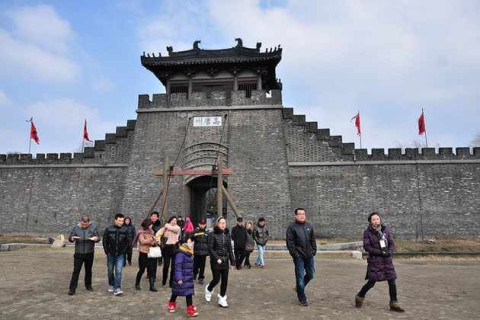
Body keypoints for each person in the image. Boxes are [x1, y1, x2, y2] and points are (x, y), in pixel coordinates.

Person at [355, 212, 405, 312]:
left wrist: (389, 252)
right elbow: (367, 246)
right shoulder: (367, 232)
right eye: (373, 219)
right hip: (375, 261)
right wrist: (380, 252)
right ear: (370, 221)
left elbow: (391, 243)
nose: (376, 221)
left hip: (387, 260)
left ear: (380, 220)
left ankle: (394, 304)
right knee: (371, 282)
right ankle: (359, 296)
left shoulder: (385, 230)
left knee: (392, 281)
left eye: (377, 219)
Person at [286, 208, 316, 306]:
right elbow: (290, 243)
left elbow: (313, 240)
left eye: (303, 214)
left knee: (311, 274)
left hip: (309, 255)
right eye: (299, 214)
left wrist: (314, 251)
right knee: (299, 279)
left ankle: (299, 287)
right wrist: (295, 254)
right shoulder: (292, 227)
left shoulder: (309, 226)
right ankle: (302, 298)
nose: (302, 216)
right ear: (295, 216)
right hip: (299, 256)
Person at [205, 216, 235, 308]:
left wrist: (232, 261)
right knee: (216, 279)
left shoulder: (227, 234)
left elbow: (230, 248)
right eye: (221, 223)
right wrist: (217, 258)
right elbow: (210, 248)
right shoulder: (212, 234)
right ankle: (209, 288)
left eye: (224, 223)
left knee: (225, 280)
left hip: (225, 261)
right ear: (217, 224)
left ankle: (222, 298)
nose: (223, 225)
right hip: (215, 261)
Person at [167, 233, 199, 317]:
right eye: (189, 242)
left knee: (187, 292)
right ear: (184, 243)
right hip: (181, 277)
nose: (191, 244)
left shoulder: (189, 252)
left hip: (187, 277)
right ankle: (173, 304)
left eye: (192, 242)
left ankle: (189, 307)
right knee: (176, 291)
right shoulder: (180, 254)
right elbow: (177, 266)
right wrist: (179, 278)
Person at [67, 215, 99, 295]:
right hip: (79, 253)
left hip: (89, 252)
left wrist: (96, 239)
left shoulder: (93, 227)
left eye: (86, 224)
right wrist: (72, 238)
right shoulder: (76, 227)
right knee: (76, 271)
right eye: (83, 224)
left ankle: (88, 285)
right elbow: (70, 238)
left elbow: (98, 238)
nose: (84, 225)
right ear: (81, 222)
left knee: (88, 270)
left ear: (89, 222)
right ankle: (72, 289)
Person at [103, 213, 131, 296]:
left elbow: (128, 242)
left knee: (119, 272)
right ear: (115, 220)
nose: (121, 222)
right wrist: (107, 251)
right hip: (110, 254)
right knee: (110, 271)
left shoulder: (126, 230)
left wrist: (124, 251)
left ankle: (117, 288)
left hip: (120, 255)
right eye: (119, 220)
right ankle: (111, 284)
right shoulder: (108, 229)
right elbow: (105, 241)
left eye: (122, 221)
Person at [135, 218, 159, 292]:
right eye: (150, 224)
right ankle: (137, 284)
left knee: (151, 270)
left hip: (151, 253)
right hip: (143, 253)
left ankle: (152, 286)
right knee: (142, 269)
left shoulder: (152, 232)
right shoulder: (141, 232)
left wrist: (155, 241)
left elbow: (153, 242)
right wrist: (151, 240)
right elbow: (142, 242)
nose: (152, 226)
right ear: (147, 225)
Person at [161, 216, 181, 287]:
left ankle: (171, 282)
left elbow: (173, 229)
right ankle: (164, 279)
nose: (174, 221)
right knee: (166, 265)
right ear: (170, 220)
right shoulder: (166, 227)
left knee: (173, 267)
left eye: (175, 220)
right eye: (172, 220)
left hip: (174, 247)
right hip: (167, 247)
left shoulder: (177, 227)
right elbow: (162, 233)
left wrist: (167, 225)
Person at [193, 219, 209, 284]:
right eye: (201, 224)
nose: (202, 225)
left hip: (204, 251)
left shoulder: (207, 232)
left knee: (202, 265)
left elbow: (209, 241)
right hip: (197, 250)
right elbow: (191, 238)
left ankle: (201, 277)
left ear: (205, 224)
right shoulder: (196, 231)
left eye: (203, 224)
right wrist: (194, 234)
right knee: (195, 264)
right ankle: (194, 273)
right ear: (199, 224)